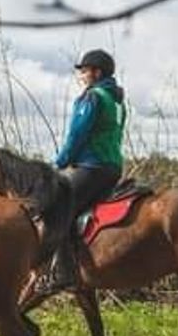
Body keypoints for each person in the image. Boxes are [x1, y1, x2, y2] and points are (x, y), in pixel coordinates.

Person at [44, 48, 125, 292]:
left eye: (84, 71)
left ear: (96, 73)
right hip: (113, 167)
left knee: (57, 206)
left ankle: (63, 272)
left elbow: (77, 134)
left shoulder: (92, 97)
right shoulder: (117, 102)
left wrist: (59, 162)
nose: (81, 76)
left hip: (92, 166)